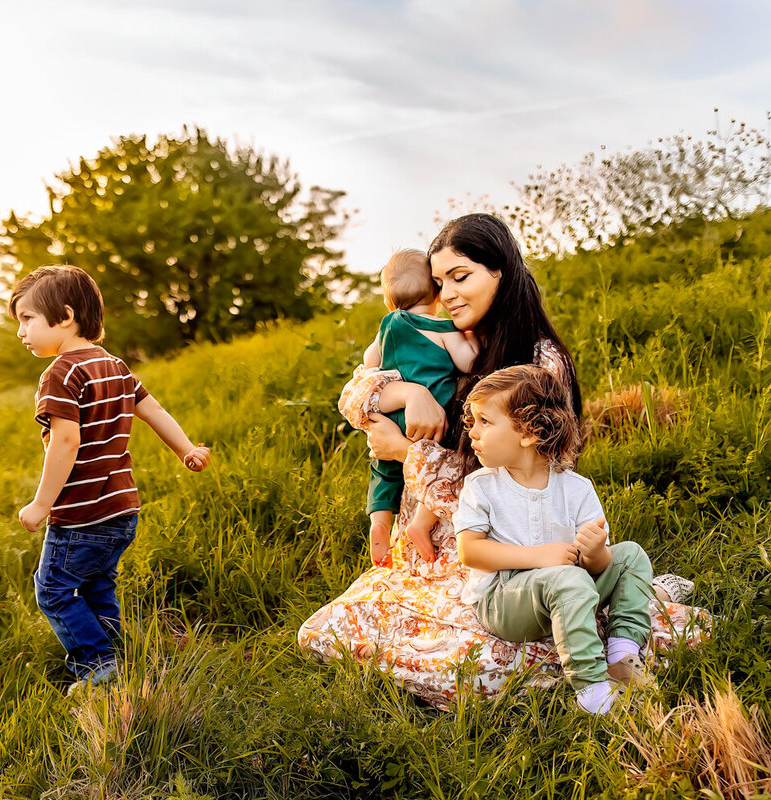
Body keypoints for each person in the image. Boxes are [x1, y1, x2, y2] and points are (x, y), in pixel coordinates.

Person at [298, 214, 706, 708]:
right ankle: (605, 612)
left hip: (512, 542)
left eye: (461, 277)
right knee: (331, 629)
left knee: (478, 668)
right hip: (446, 547)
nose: (446, 293)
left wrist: (404, 451)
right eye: (439, 281)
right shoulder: (455, 340)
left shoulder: (536, 364)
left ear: (502, 273)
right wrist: (406, 391)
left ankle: (615, 625)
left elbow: (496, 483)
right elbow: (354, 394)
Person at [10, 265, 211, 695]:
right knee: (98, 583)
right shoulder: (114, 365)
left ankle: (97, 664)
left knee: (54, 590)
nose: (21, 331)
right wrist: (186, 449)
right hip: (122, 510)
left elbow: (64, 442)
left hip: (81, 515)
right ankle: (116, 652)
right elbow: (153, 410)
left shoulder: (61, 373)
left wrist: (41, 505)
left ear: (64, 317)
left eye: (27, 318)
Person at [455, 365, 653, 714]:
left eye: (485, 421)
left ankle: (622, 651)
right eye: (473, 420)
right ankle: (592, 690)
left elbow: (596, 566)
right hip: (505, 600)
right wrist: (541, 556)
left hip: (570, 589)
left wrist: (595, 554)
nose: (472, 430)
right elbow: (470, 552)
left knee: (631, 556)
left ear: (529, 432)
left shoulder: (577, 488)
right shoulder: (481, 486)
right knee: (570, 578)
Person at [363, 249, 478, 567]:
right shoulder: (443, 328)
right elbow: (468, 361)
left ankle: (380, 522)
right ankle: (421, 524)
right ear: (438, 292)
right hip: (434, 418)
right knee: (439, 462)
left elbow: (369, 364)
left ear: (389, 302)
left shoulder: (387, 326)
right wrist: (469, 336)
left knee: (383, 469)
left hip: (394, 415)